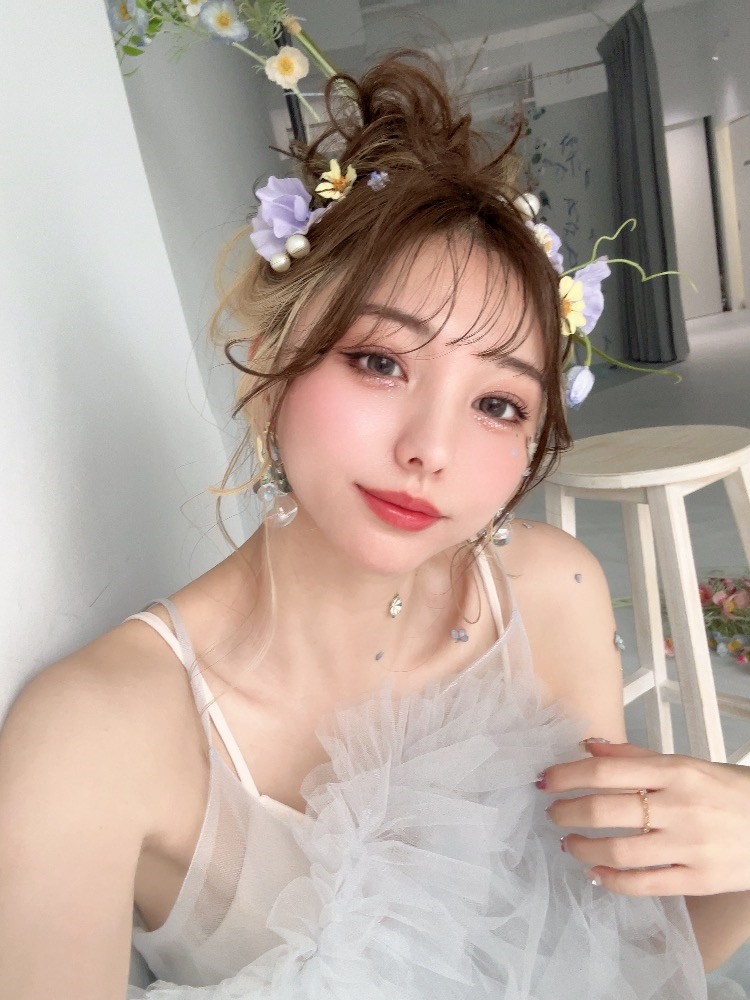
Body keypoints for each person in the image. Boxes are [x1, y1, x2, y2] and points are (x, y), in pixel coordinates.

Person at [0, 51, 748, 1000]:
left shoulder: (553, 592)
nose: (430, 448)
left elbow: (618, 955)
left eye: (498, 405)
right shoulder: (97, 734)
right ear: (270, 363)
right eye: (380, 362)